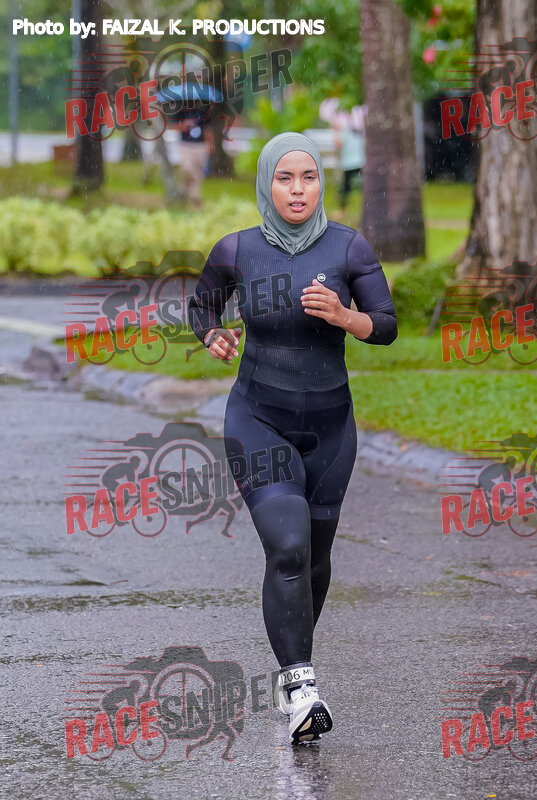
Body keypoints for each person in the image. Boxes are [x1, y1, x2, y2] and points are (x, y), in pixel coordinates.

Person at [188, 132, 397, 744]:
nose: (298, 190)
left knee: (315, 560)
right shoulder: (237, 250)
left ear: (321, 182)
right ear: (267, 184)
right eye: (285, 178)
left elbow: (385, 326)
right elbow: (201, 308)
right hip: (258, 419)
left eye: (308, 177)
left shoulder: (348, 247)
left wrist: (345, 316)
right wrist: (212, 335)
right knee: (287, 547)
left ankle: (292, 671)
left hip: (331, 428)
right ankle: (302, 686)